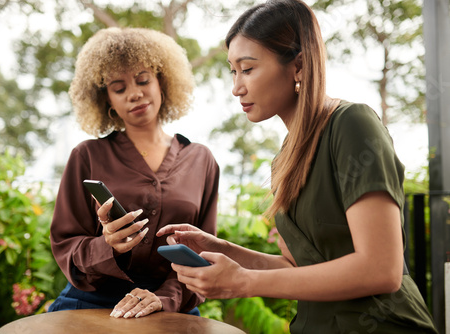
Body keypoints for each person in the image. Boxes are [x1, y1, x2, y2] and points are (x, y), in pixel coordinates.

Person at [157, 0, 438, 332]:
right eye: (232, 71)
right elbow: (296, 266)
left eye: (247, 69)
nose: (237, 88)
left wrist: (244, 283)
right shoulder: (286, 159)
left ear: (300, 66)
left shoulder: (351, 124)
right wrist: (222, 248)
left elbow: (381, 269)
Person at [48, 27, 220, 319]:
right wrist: (107, 246)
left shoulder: (201, 160)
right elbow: (66, 244)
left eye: (143, 80)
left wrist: (166, 296)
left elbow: (204, 252)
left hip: (168, 304)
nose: (135, 94)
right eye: (119, 88)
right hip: (91, 302)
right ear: (108, 101)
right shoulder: (87, 155)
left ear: (162, 82)